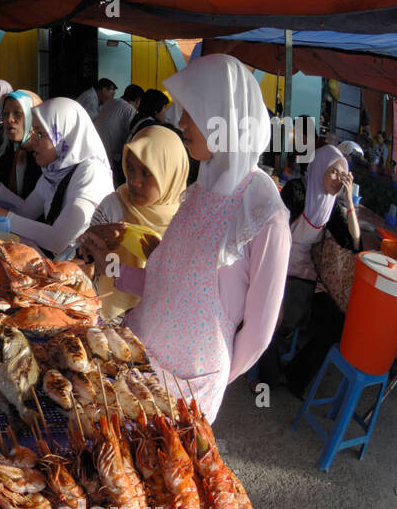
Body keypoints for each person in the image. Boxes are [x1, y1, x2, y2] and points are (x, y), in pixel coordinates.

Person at [104, 54, 289, 422]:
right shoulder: (199, 189)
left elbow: (259, 332)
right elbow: (167, 281)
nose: (180, 122)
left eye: (191, 112)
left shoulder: (264, 214)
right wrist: (111, 269)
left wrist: (211, 382)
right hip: (136, 358)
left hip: (187, 387)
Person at [258, 145, 359, 388]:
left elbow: (354, 241)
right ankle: (266, 378)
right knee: (271, 318)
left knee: (335, 322)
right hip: (275, 262)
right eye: (333, 172)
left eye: (342, 174)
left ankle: (296, 376)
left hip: (304, 275)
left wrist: (349, 202)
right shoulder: (297, 191)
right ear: (320, 167)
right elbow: (271, 228)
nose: (337, 179)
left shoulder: (331, 206)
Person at [0, 97, 114, 257]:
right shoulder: (55, 170)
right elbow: (25, 212)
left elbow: (58, 240)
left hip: (79, 272)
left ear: (64, 134)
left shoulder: (91, 172)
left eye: (40, 134)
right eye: (33, 132)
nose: (33, 140)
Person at [76, 125, 189, 321]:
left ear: (170, 173)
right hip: (103, 321)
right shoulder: (113, 207)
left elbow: (180, 291)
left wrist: (159, 261)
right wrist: (89, 243)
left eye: (146, 173)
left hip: (158, 326)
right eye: (130, 168)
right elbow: (86, 264)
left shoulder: (186, 222)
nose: (134, 181)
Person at [94, 83, 144, 180]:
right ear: (138, 100)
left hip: (97, 152)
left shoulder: (109, 102)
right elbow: (131, 137)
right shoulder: (130, 110)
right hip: (111, 161)